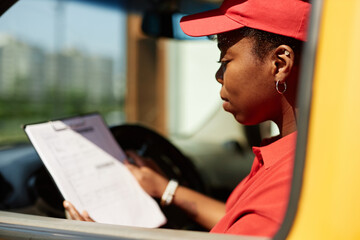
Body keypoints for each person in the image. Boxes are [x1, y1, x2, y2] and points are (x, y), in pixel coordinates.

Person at [63, 0, 311, 237]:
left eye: (224, 60)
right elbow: (234, 219)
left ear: (279, 64)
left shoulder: (290, 181)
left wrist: (100, 237)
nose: (218, 75)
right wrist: (165, 188)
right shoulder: (296, 155)